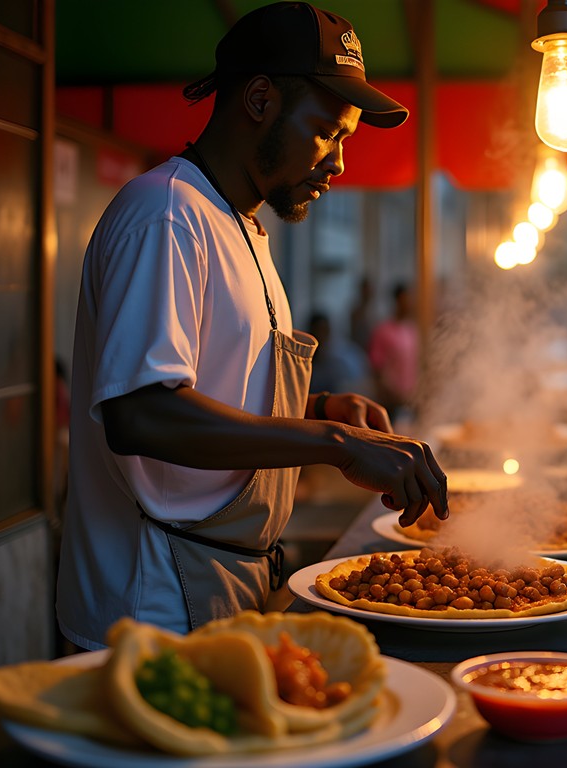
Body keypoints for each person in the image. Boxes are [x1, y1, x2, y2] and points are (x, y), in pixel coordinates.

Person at [56, 2, 448, 651]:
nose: (340, 163)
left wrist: (324, 406)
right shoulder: (167, 212)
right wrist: (335, 442)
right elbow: (140, 412)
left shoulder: (241, 227)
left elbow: (214, 382)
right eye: (328, 131)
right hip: (151, 609)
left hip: (219, 584)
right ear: (261, 99)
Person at [368, 283, 420, 420]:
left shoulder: (411, 330)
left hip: (409, 398)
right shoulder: (383, 331)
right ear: (396, 301)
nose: (408, 304)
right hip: (390, 400)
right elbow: (376, 368)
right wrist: (390, 392)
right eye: (404, 300)